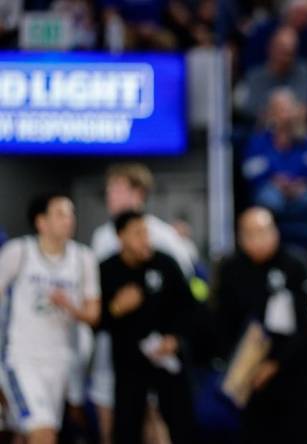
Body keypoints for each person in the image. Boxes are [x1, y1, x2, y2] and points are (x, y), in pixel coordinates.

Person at [90, 162, 195, 444]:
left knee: (162, 422)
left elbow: (186, 296)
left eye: (117, 189)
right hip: (118, 352)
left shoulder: (165, 240)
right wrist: (115, 309)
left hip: (162, 351)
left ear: (139, 193)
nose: (111, 196)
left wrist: (174, 335)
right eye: (109, 190)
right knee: (117, 421)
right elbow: (95, 303)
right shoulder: (101, 238)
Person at [212, 207, 307, 444]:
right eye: (248, 233)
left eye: (262, 231)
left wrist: (275, 364)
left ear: (275, 231)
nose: (256, 239)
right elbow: (223, 323)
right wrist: (240, 367)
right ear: (240, 237)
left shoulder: (294, 264)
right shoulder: (231, 270)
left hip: (295, 375)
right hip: (251, 379)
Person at [0, 193, 100, 444]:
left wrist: (70, 306)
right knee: (43, 433)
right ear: (41, 222)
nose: (69, 220)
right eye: (61, 214)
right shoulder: (19, 251)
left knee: (27, 434)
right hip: (21, 358)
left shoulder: (83, 258)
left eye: (72, 214)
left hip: (60, 361)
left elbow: (93, 315)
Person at [241, 88, 307, 248]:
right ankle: (268, 244)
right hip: (271, 186)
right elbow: (250, 170)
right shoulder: (259, 138)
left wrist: (299, 182)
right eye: (278, 110)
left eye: (286, 109)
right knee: (268, 199)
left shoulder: (306, 137)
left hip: (300, 187)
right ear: (270, 112)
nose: (283, 115)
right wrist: (273, 179)